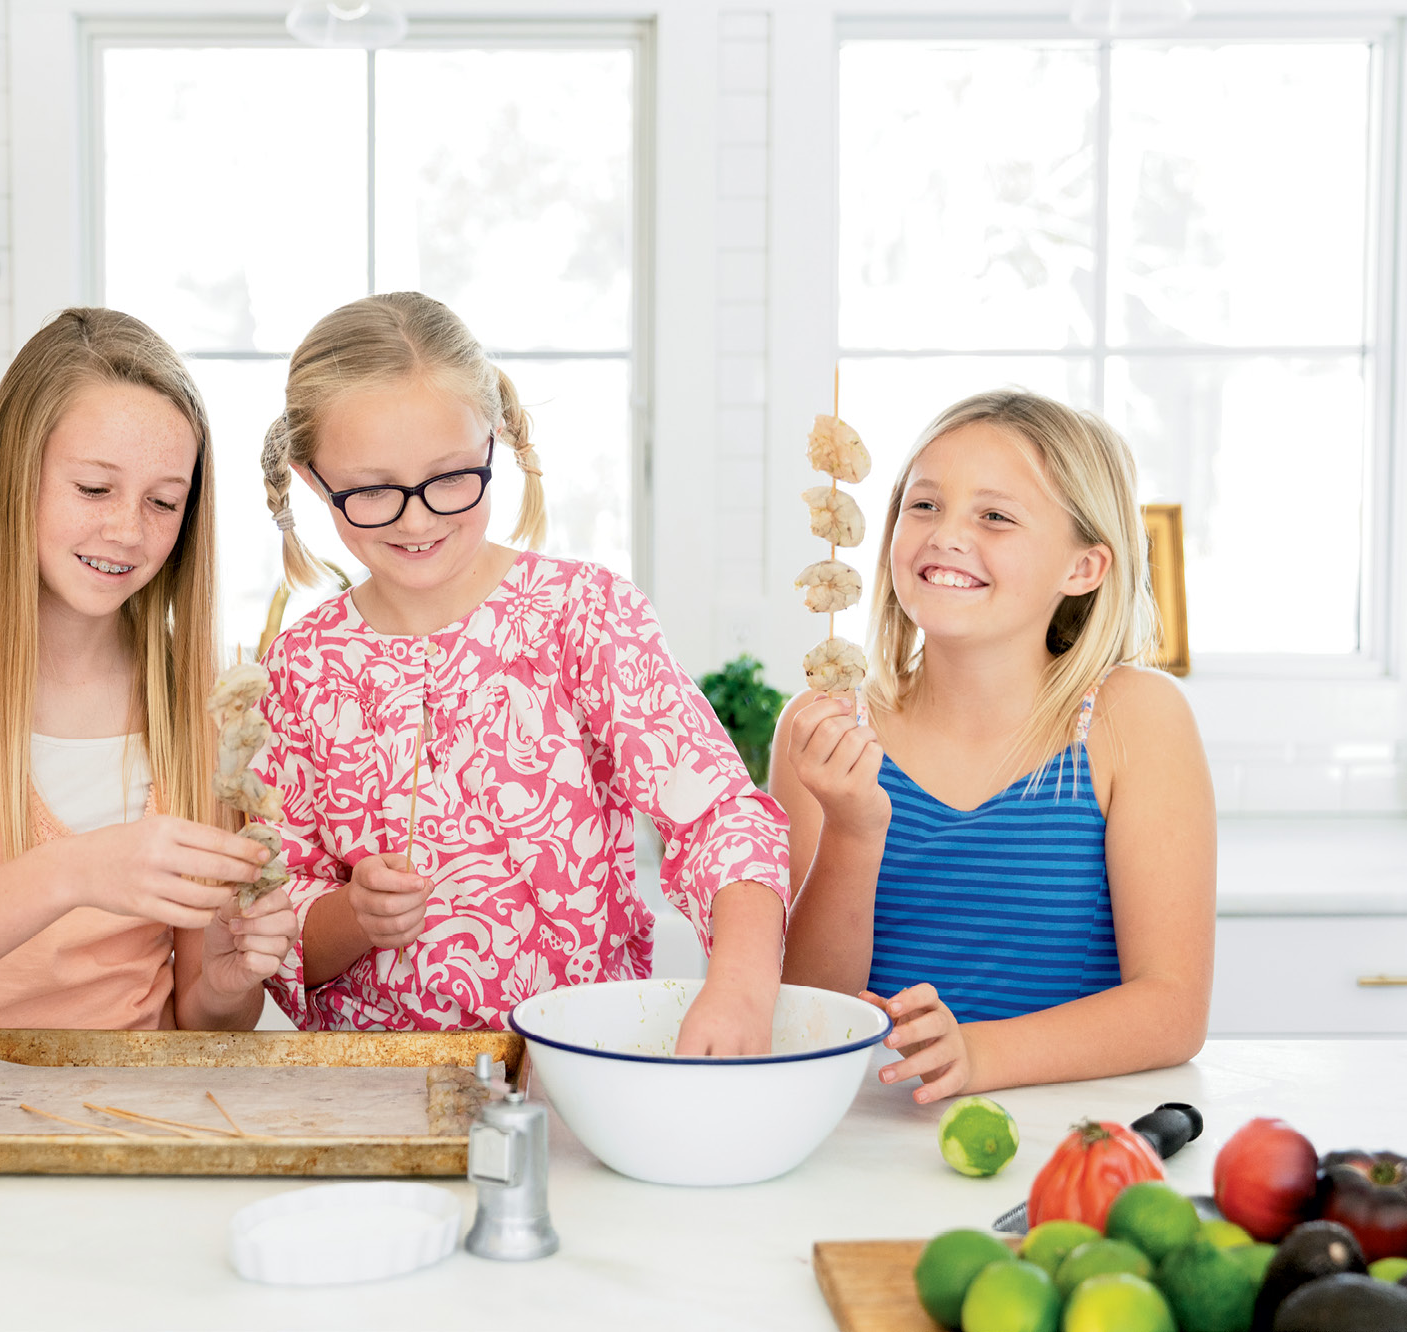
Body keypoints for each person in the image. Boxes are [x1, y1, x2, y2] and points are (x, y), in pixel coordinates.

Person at [251, 292, 788, 1054]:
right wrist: (354, 916)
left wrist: (739, 987)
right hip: (375, 1087)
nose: (416, 519)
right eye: (371, 490)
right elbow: (280, 922)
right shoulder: (299, 668)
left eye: (450, 477)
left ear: (494, 440)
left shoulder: (584, 616)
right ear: (313, 479)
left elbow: (720, 817)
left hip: (576, 1074)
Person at [0, 308, 298, 1040]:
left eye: (163, 502)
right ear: (17, 473)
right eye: (94, 489)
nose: (128, 531)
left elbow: (202, 1021)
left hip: (132, 1104)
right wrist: (73, 872)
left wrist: (229, 984)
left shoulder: (195, 691)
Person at [773, 389, 1214, 1102]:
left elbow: (1172, 1007)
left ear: (1083, 568)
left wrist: (976, 1054)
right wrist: (852, 832)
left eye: (995, 516)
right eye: (924, 505)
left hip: (1062, 1132)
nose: (945, 535)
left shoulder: (1133, 720)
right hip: (871, 1129)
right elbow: (803, 1012)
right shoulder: (825, 727)